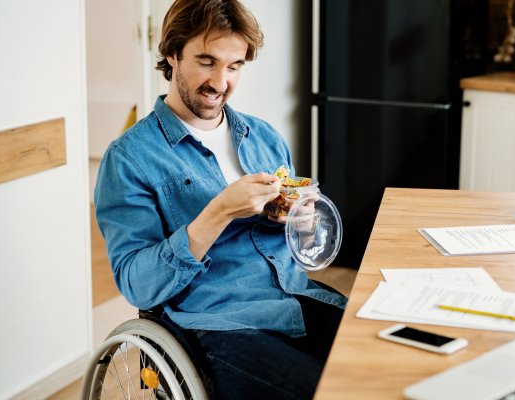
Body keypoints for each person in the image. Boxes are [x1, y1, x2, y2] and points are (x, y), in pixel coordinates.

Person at [93, 0, 347, 398]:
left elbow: (304, 248)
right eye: (206, 61)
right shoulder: (129, 158)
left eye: (234, 66)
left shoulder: (263, 137)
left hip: (295, 299)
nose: (220, 82)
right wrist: (220, 211)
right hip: (216, 324)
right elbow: (137, 285)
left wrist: (303, 221)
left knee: (392, 360)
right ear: (172, 54)